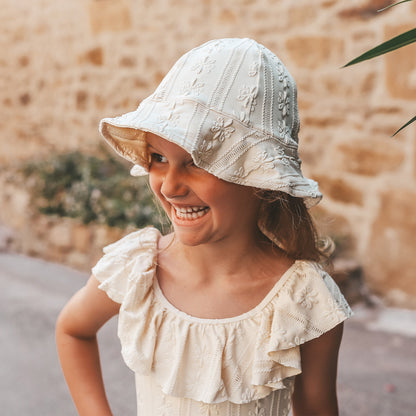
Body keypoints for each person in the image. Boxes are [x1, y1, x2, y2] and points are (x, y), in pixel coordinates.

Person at [56, 38, 352, 416]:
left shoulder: (303, 300)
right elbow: (72, 329)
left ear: (258, 175)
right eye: (159, 158)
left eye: (197, 161)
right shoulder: (139, 269)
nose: (169, 185)